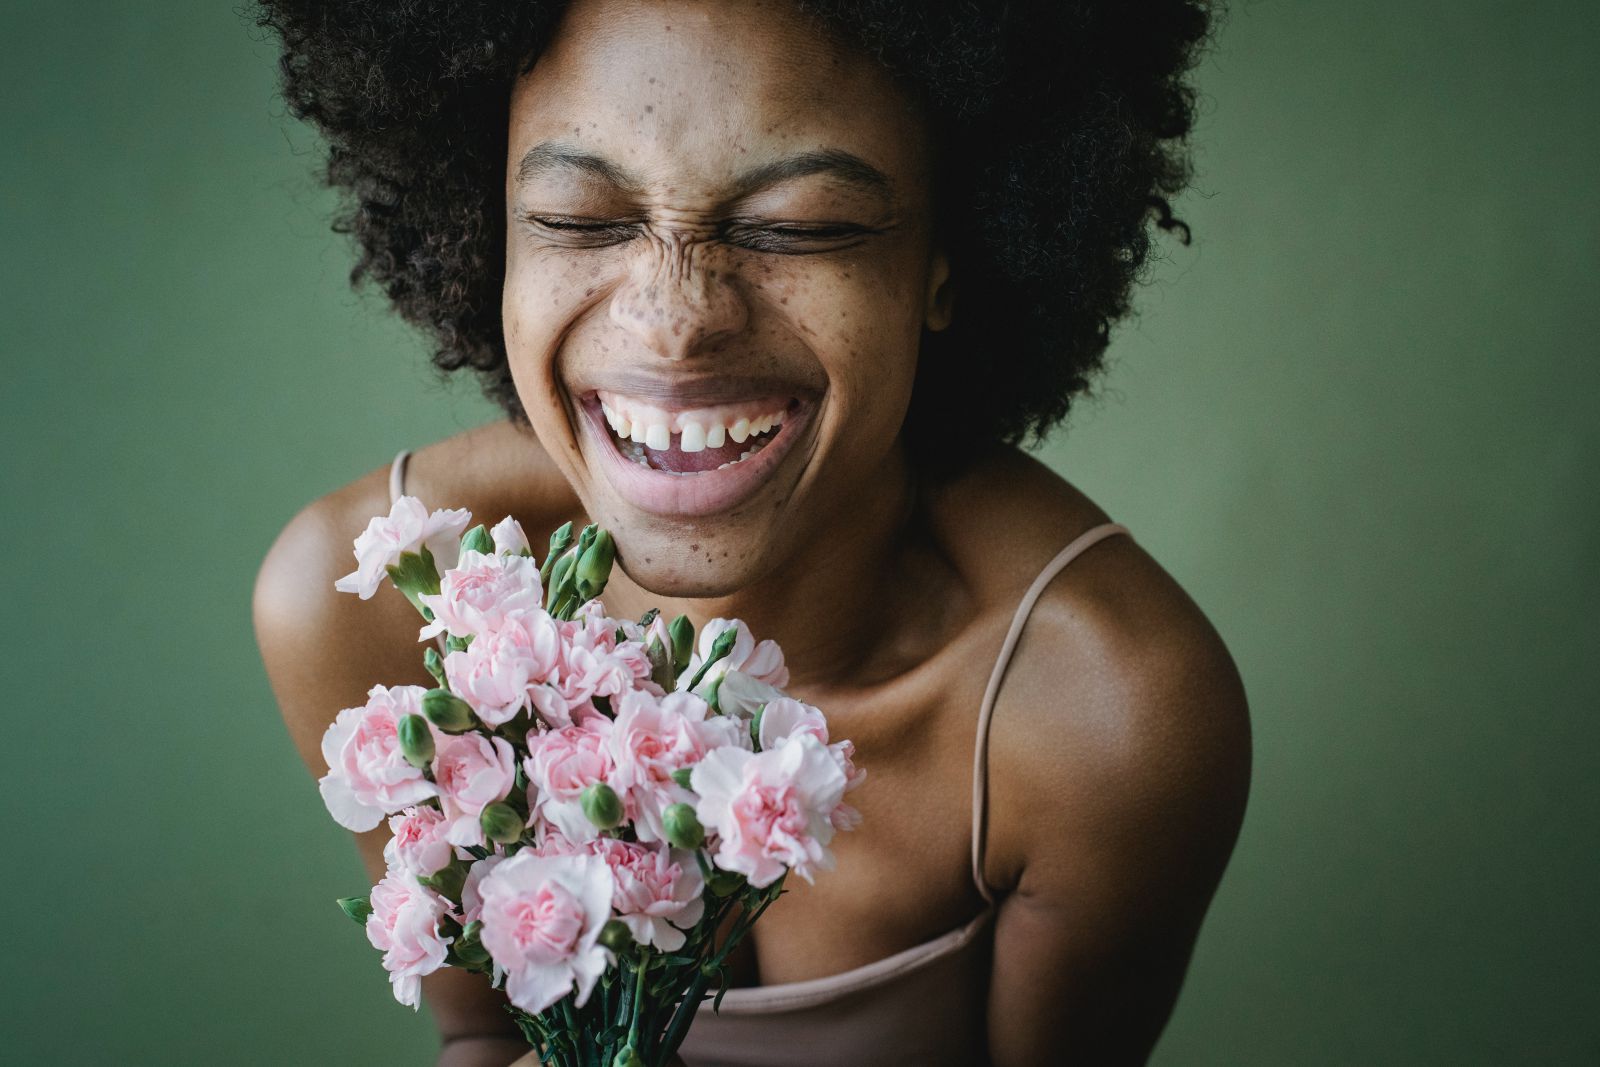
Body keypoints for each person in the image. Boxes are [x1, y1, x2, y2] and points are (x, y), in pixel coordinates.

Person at [249, 1, 1250, 1064]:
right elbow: (481, 1035)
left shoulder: (1103, 717)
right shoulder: (376, 604)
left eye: (800, 225)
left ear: (947, 262)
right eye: (579, 218)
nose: (675, 321)